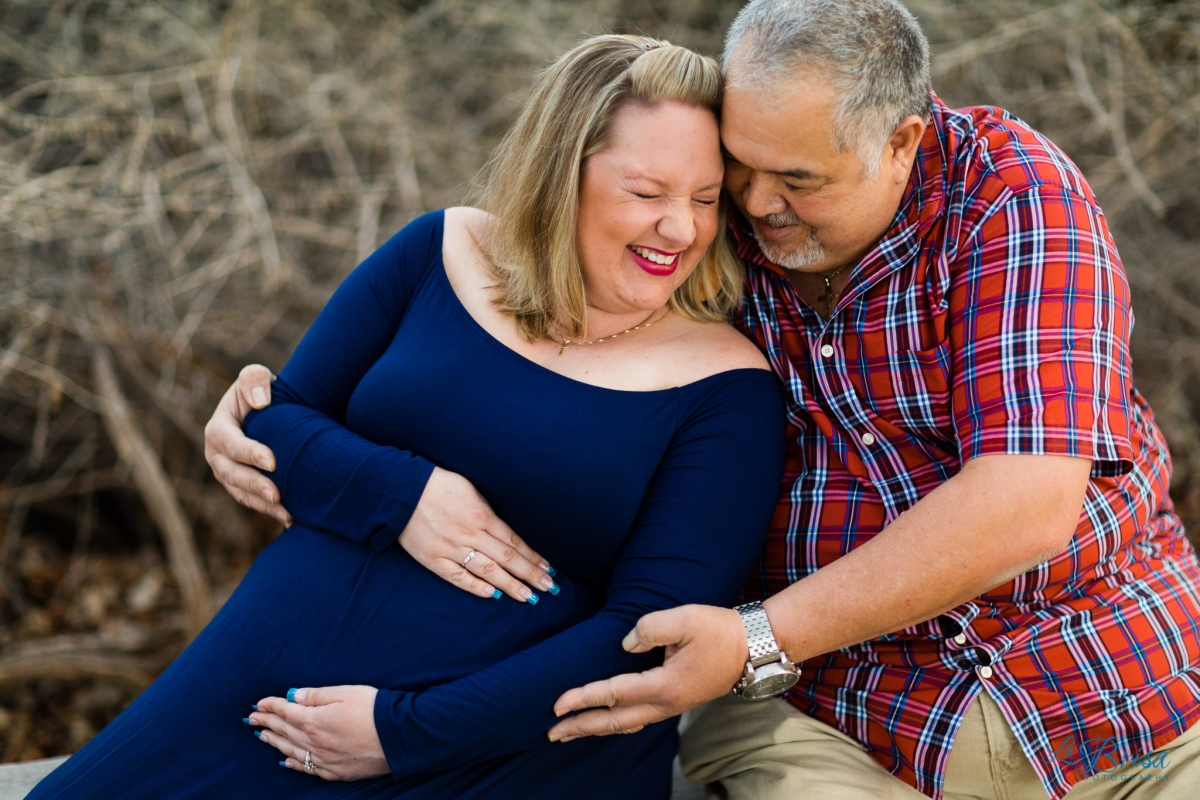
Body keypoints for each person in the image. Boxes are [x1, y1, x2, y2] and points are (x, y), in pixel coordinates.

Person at [215, 1, 1200, 798]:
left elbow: (1024, 504)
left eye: (799, 178)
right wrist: (301, 435)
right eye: (742, 166)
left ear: (902, 142)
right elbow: (523, 374)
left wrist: (756, 636)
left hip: (1102, 677)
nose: (755, 203)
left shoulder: (1009, 197)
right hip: (839, 710)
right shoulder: (701, 236)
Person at [28, 35, 785, 800]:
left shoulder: (727, 387)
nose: (681, 230)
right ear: (564, 174)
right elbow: (274, 424)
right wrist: (409, 497)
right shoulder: (442, 252)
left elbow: (649, 635)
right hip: (257, 693)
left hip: (499, 750)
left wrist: (404, 732)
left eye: (704, 198)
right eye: (647, 192)